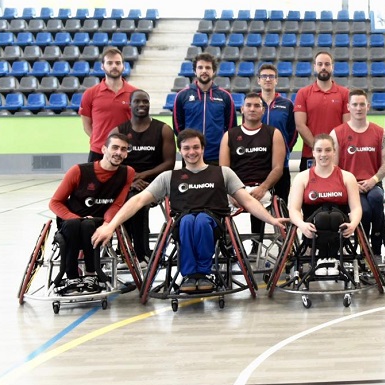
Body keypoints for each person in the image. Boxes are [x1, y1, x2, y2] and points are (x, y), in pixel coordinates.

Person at [91, 129, 288, 293]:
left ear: (203, 149)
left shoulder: (223, 173)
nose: (191, 152)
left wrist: (272, 220)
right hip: (182, 223)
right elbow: (137, 201)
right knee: (187, 221)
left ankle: (203, 273)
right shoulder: (169, 176)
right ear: (180, 151)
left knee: (201, 220)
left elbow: (248, 201)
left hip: (214, 225)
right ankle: (189, 275)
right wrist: (111, 226)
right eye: (186, 148)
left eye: (195, 147)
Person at [49, 133, 135, 295]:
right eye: (115, 147)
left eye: (123, 149)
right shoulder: (78, 171)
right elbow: (55, 202)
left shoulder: (127, 173)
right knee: (78, 224)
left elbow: (116, 204)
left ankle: (91, 274)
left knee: (89, 224)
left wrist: (107, 224)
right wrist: (77, 218)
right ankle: (72, 276)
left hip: (98, 222)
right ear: (104, 149)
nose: (119, 152)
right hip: (71, 221)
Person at [110, 90, 175, 261]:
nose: (141, 105)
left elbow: (169, 163)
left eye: (145, 101)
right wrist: (130, 180)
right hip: (126, 182)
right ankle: (126, 248)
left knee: (137, 199)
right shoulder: (119, 131)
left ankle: (141, 253)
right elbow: (110, 163)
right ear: (130, 104)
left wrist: (142, 176)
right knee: (128, 196)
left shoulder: (163, 129)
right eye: (137, 101)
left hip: (155, 183)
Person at [219, 93, 286, 253]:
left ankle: (257, 245)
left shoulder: (273, 133)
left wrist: (263, 188)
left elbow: (278, 168)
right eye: (248, 105)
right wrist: (231, 192)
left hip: (262, 189)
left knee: (257, 199)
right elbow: (224, 170)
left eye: (257, 106)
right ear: (242, 109)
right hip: (236, 189)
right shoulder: (230, 135)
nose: (252, 109)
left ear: (263, 110)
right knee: (218, 204)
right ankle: (228, 246)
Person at [329, 89, 385, 261]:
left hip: (373, 182)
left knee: (376, 199)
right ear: (348, 107)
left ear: (368, 106)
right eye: (354, 104)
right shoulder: (337, 133)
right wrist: (351, 183)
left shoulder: (380, 133)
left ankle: (376, 247)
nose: (358, 108)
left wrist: (374, 180)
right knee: (364, 210)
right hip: (350, 184)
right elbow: (333, 166)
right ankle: (362, 247)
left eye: (362, 104)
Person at [288, 134, 362, 274]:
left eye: (328, 150)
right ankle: (323, 258)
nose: (324, 154)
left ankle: (332, 258)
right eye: (319, 150)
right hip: (313, 227)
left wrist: (353, 224)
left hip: (340, 226)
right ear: (313, 152)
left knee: (333, 217)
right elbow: (294, 209)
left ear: (334, 152)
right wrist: (302, 225)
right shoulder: (302, 178)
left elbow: (356, 207)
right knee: (322, 218)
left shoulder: (347, 177)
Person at [172, 52, 237, 164]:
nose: (204, 71)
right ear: (194, 71)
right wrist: (188, 145)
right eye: (200, 67)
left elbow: (231, 128)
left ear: (214, 71)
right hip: (191, 156)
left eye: (208, 67)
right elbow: (178, 127)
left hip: (217, 156)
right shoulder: (182, 96)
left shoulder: (225, 96)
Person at [293, 52, 350, 171]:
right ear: (315, 67)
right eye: (320, 64)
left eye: (327, 64)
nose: (323, 67)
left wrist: (330, 150)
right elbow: (300, 125)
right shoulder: (303, 93)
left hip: (337, 156)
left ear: (332, 67)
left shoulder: (344, 93)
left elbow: (346, 127)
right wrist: (318, 149)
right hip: (310, 155)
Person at [79, 47, 138, 162]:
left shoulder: (135, 93)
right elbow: (87, 126)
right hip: (98, 151)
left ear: (123, 66)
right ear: (102, 66)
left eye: (118, 63)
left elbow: (139, 124)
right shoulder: (90, 93)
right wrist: (101, 142)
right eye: (109, 63)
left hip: (126, 151)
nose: (114, 66)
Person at [257, 63, 297, 204]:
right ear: (259, 80)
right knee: (257, 206)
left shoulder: (286, 104)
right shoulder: (252, 103)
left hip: (281, 164)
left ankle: (282, 227)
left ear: (276, 80)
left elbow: (293, 131)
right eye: (264, 76)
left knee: (282, 203)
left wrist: (285, 149)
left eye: (271, 76)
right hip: (258, 163)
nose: (268, 79)